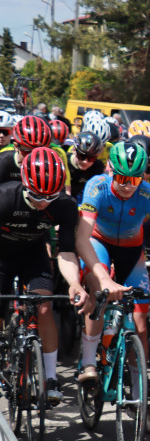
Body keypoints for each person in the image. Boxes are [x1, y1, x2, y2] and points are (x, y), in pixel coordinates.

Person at [77, 141, 150, 434]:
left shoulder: (149, 194)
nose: (127, 185)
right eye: (122, 178)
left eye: (135, 179)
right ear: (111, 170)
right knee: (98, 292)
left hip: (132, 251)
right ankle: (88, 362)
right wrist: (102, 277)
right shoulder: (97, 187)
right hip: (98, 244)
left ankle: (141, 405)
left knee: (139, 319)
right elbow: (82, 237)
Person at [0, 148, 90, 404]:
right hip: (2, 258)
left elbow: (67, 251)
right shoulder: (5, 197)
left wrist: (74, 283)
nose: (43, 201)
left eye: (51, 195)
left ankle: (51, 376)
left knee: (44, 307)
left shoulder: (64, 206)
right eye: (38, 194)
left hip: (33, 255)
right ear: (25, 183)